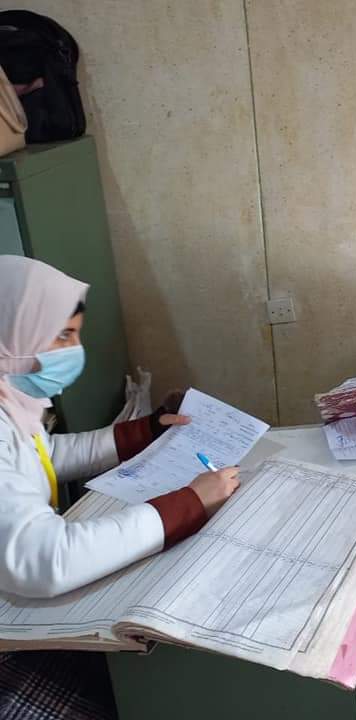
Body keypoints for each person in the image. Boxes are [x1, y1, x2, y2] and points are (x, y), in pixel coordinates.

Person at [0, 256, 241, 719]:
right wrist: (187, 504)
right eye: (62, 335)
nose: (74, 350)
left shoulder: (10, 401)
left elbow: (42, 456)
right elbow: (47, 561)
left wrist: (144, 431)